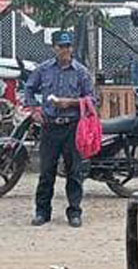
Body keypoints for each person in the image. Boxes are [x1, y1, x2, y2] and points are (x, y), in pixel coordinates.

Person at [25, 30, 94, 228]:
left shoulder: (81, 72)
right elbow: (29, 88)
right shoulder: (44, 70)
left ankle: (74, 212)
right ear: (54, 47)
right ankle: (42, 212)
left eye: (68, 46)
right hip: (50, 127)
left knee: (75, 172)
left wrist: (71, 103)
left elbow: (92, 99)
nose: (65, 50)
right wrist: (34, 111)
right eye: (61, 46)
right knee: (46, 172)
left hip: (73, 128)